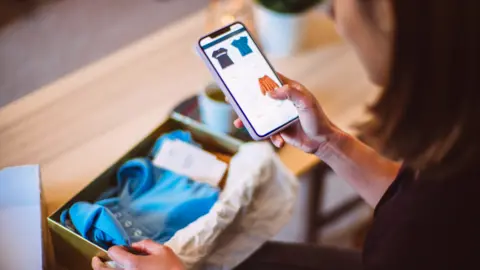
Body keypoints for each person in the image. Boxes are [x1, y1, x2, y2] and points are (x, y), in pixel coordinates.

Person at [92, 0, 480, 269]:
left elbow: (420, 219)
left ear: (392, 20)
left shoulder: (418, 238)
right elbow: (409, 192)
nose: (332, 14)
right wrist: (328, 142)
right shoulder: (457, 138)